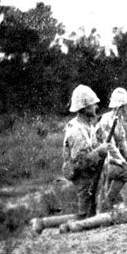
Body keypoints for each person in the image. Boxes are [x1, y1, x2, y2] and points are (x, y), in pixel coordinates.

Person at [30, 85, 112, 235]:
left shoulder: (87, 125)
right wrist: (99, 151)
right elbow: (80, 162)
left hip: (90, 175)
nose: (96, 106)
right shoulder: (77, 131)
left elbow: (90, 150)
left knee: (87, 215)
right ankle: (45, 224)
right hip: (84, 177)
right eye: (93, 104)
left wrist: (100, 146)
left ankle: (44, 223)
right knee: (86, 217)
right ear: (85, 108)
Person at [96, 87, 127, 212]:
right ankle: (107, 203)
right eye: (125, 105)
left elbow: (122, 140)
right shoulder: (106, 121)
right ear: (120, 106)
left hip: (111, 158)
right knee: (124, 171)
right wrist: (122, 161)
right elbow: (110, 146)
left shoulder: (119, 119)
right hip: (101, 159)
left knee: (126, 170)